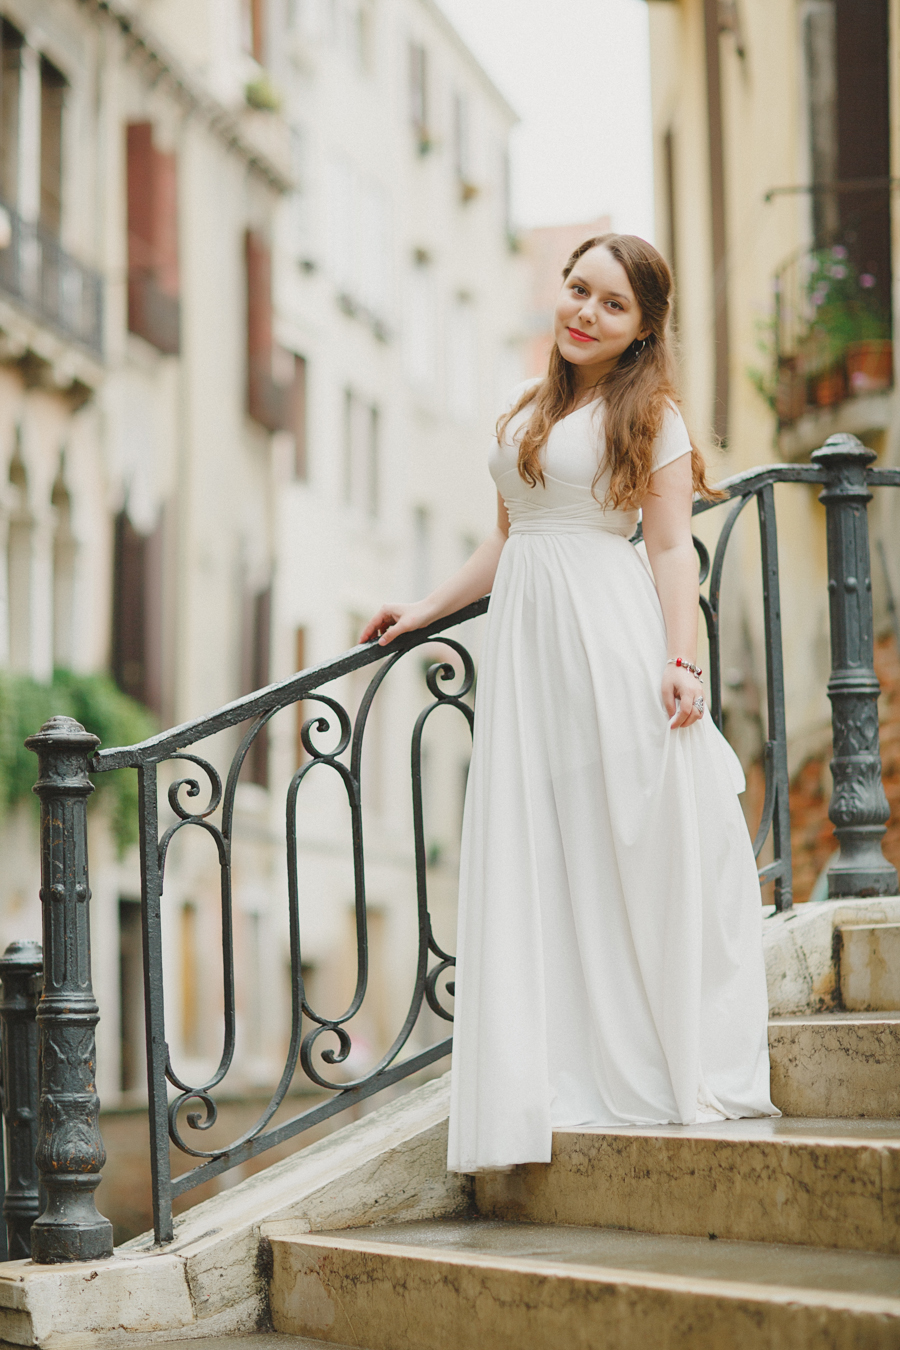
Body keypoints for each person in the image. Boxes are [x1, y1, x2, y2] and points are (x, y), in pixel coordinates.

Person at [362, 233, 777, 1175]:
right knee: (543, 842)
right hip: (526, 651)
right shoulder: (528, 411)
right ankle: (553, 1067)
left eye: (612, 304)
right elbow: (509, 540)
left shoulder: (654, 413)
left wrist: (681, 660)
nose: (585, 312)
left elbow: (673, 548)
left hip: (607, 637)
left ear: (642, 329)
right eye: (578, 290)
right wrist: (426, 607)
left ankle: (645, 1049)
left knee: (619, 835)